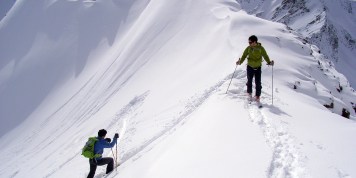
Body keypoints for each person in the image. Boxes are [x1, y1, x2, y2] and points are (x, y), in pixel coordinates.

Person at [236, 35, 274, 102]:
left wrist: (269, 62)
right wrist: (240, 62)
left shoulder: (261, 48)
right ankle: (249, 93)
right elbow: (244, 55)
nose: (249, 44)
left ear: (255, 42)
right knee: (249, 80)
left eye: (250, 42)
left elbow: (265, 55)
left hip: (258, 68)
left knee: (258, 82)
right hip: (250, 67)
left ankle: (257, 96)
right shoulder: (248, 48)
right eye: (249, 42)